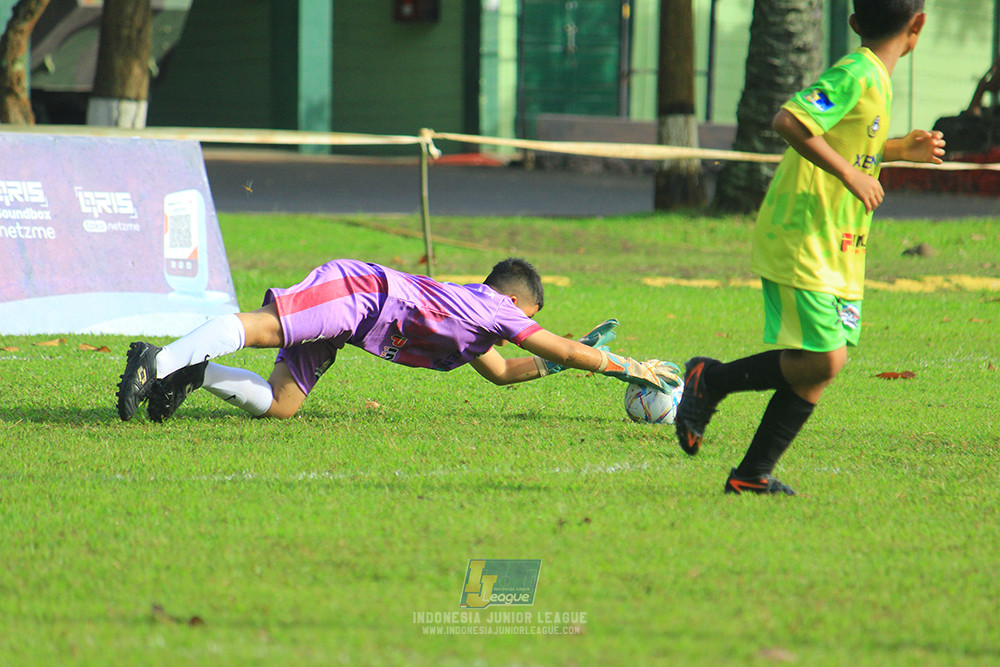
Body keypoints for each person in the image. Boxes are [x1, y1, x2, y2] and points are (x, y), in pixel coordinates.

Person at [674, 0, 945, 495]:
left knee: (819, 365)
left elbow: (846, 139)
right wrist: (850, 174)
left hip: (842, 242)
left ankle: (751, 475)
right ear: (918, 25)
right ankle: (707, 381)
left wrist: (900, 149)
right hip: (804, 234)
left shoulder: (875, 80)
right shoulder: (857, 71)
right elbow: (790, 121)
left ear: (855, 22)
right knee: (825, 358)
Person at [116, 257, 679, 422]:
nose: (527, 330)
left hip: (357, 323)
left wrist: (563, 363)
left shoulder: (478, 323)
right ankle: (156, 361)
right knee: (265, 328)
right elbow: (564, 349)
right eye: (530, 318)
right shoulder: (494, 309)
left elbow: (507, 372)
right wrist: (627, 366)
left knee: (283, 405)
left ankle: (194, 371)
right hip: (362, 291)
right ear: (514, 302)